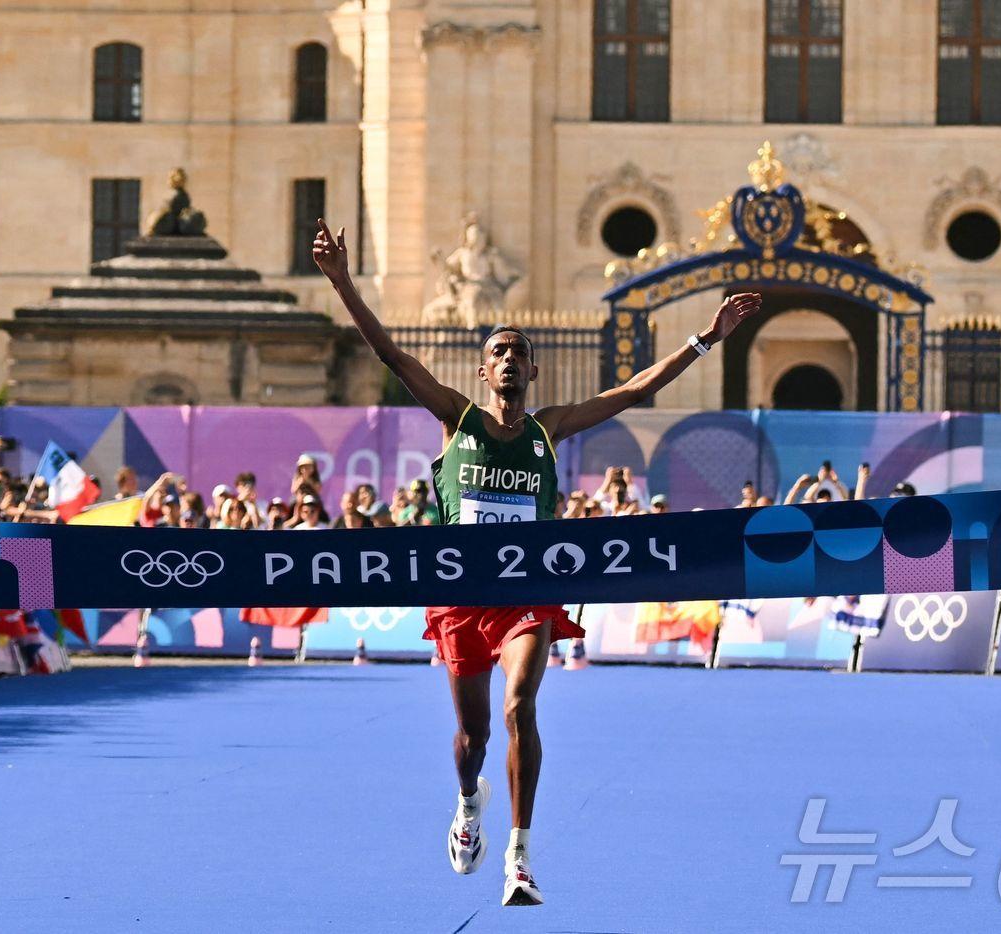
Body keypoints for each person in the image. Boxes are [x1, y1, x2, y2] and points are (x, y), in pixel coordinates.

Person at [313, 217, 760, 907]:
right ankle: (469, 803)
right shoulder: (457, 419)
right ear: (486, 371)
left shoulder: (549, 430)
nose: (511, 359)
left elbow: (636, 390)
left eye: (521, 351)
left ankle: (519, 858)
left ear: (533, 370)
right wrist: (342, 282)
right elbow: (395, 357)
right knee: (474, 735)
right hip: (463, 596)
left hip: (528, 592)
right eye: (500, 351)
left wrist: (707, 337)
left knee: (521, 708)